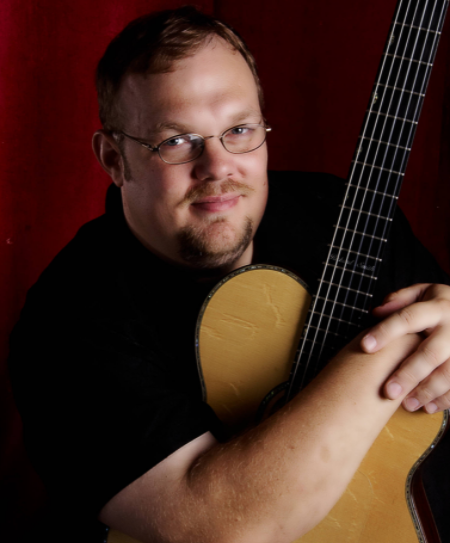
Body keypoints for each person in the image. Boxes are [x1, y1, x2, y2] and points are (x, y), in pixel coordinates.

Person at [8, 6, 450, 543]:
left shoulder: (343, 214)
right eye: (176, 141)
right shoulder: (68, 318)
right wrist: (388, 350)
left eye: (239, 130)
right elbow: (221, 526)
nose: (218, 167)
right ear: (114, 159)